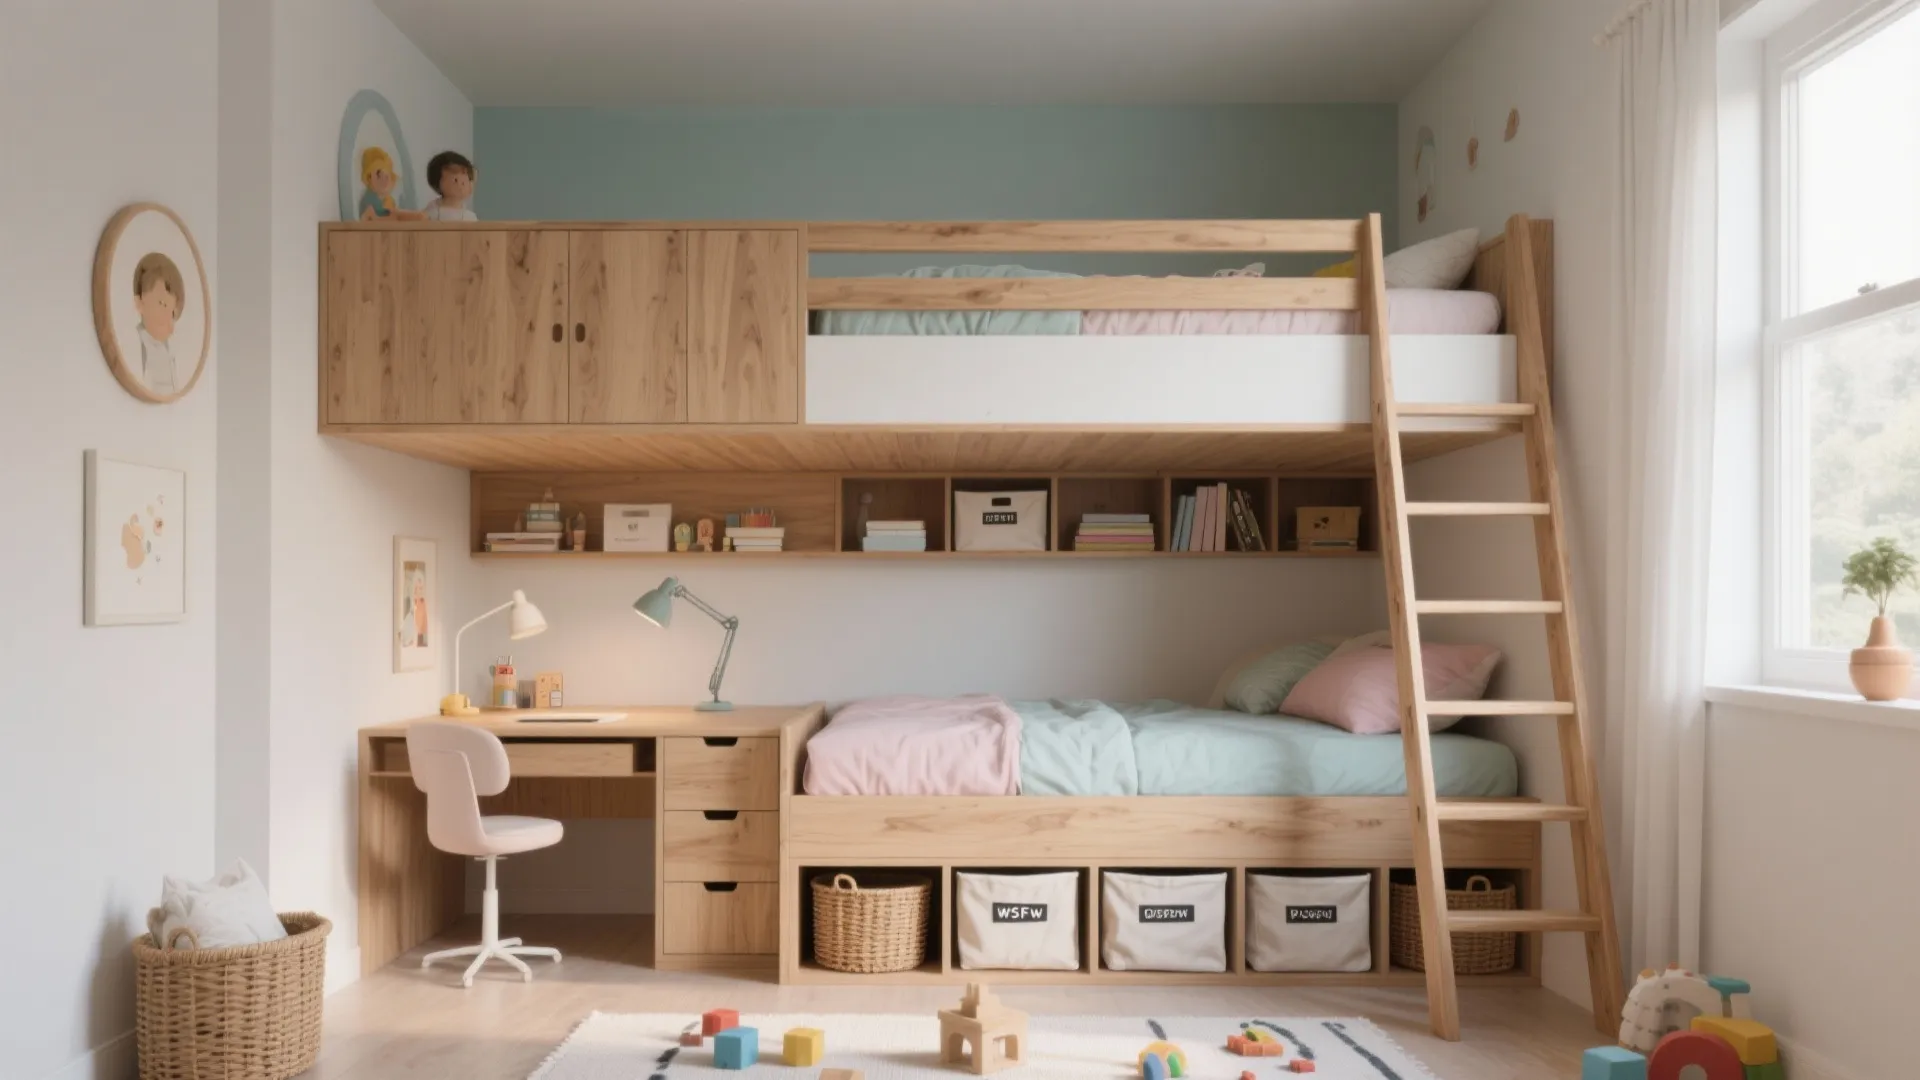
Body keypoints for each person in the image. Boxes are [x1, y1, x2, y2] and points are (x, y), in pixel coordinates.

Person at [132, 252, 185, 394]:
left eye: (173, 310)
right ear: (139, 303)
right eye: (161, 303)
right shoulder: (136, 345)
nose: (168, 316)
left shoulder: (172, 349)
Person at [357, 147, 424, 221]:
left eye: (387, 176)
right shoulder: (368, 200)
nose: (384, 180)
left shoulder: (389, 200)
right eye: (378, 175)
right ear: (369, 178)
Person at [424, 150, 478, 221]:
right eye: (456, 180)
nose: (464, 184)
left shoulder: (470, 217)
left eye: (468, 179)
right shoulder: (431, 213)